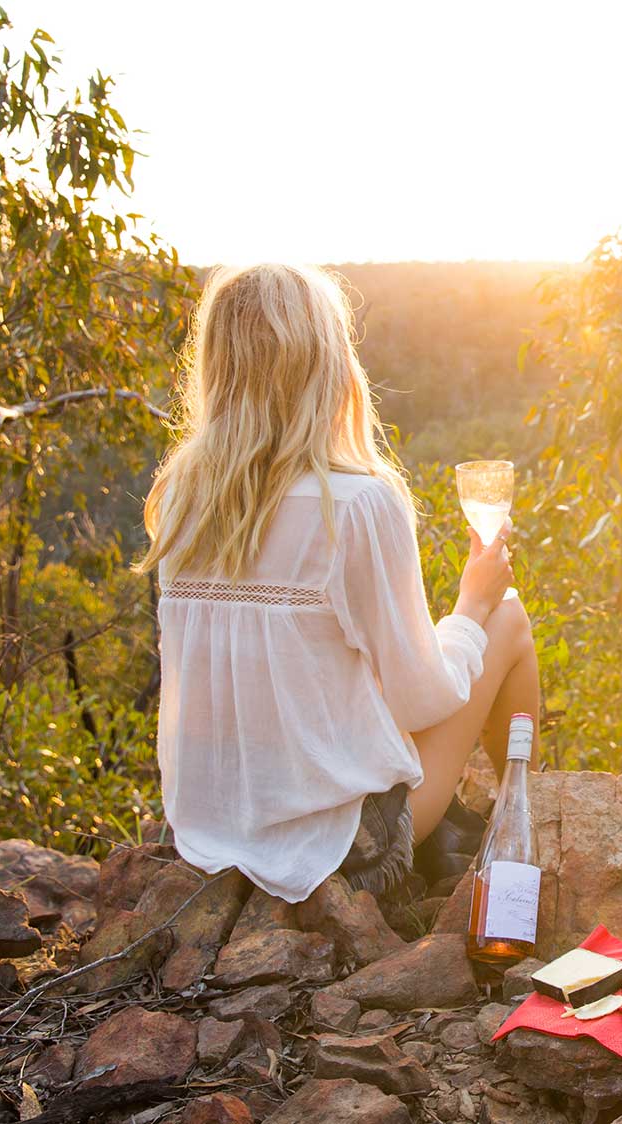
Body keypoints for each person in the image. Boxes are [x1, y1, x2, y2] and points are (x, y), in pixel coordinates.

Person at [138, 263, 536, 903]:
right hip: (343, 851)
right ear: (328, 364)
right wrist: (472, 601)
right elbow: (420, 698)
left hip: (212, 835)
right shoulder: (352, 502)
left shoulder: (183, 499)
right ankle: (522, 843)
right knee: (508, 620)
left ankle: (480, 832)